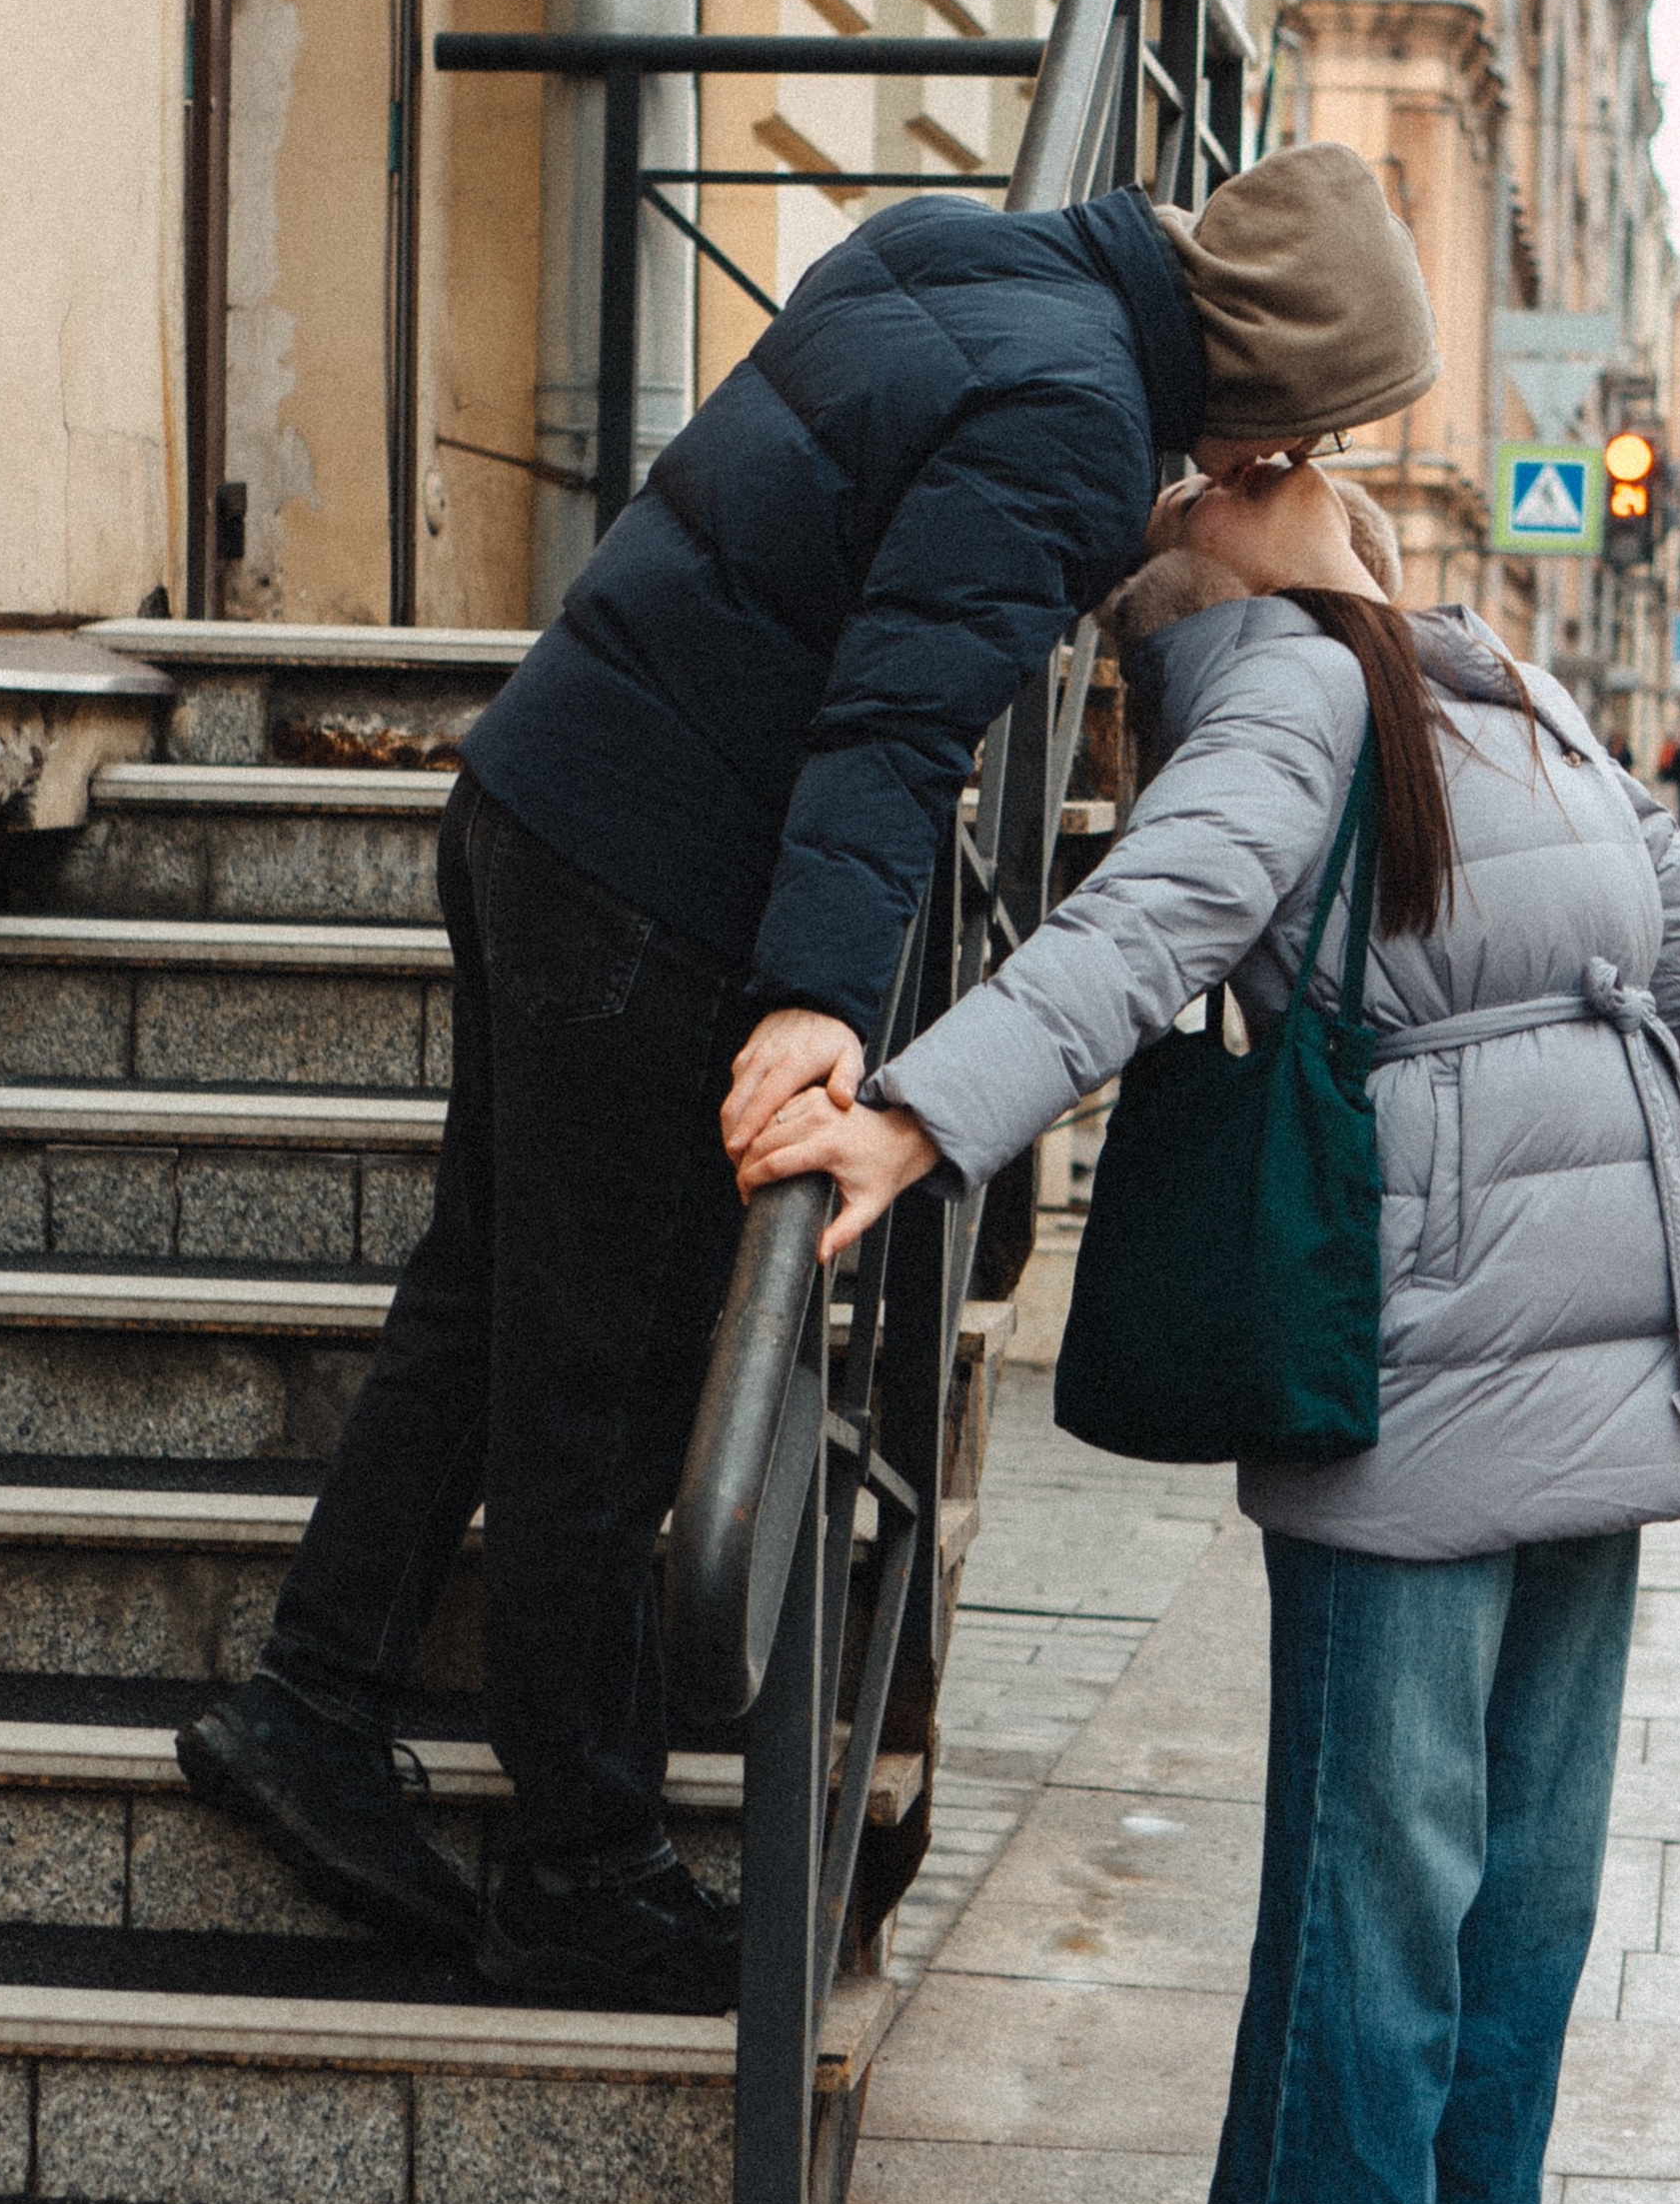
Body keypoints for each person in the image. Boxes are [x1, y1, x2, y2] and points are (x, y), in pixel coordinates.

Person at [739, 458, 1680, 2204]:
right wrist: (922, 1113)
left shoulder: (1499, 684)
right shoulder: (1283, 695)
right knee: (1378, 1922)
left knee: (1525, 1915)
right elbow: (1146, 927)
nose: (1341, 488)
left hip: (1599, 1364)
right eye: (1267, 470)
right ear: (1205, 540)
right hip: (1412, 1370)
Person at [175, 146, 1442, 2014]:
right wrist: (816, 1000)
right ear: (1270, 393)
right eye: (1308, 430)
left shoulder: (963, 252)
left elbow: (824, 564)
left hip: (539, 793)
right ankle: (584, 1873)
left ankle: (312, 1703)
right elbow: (894, 717)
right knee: (600, 1397)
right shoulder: (1081, 423)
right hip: (657, 886)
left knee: (478, 1302)